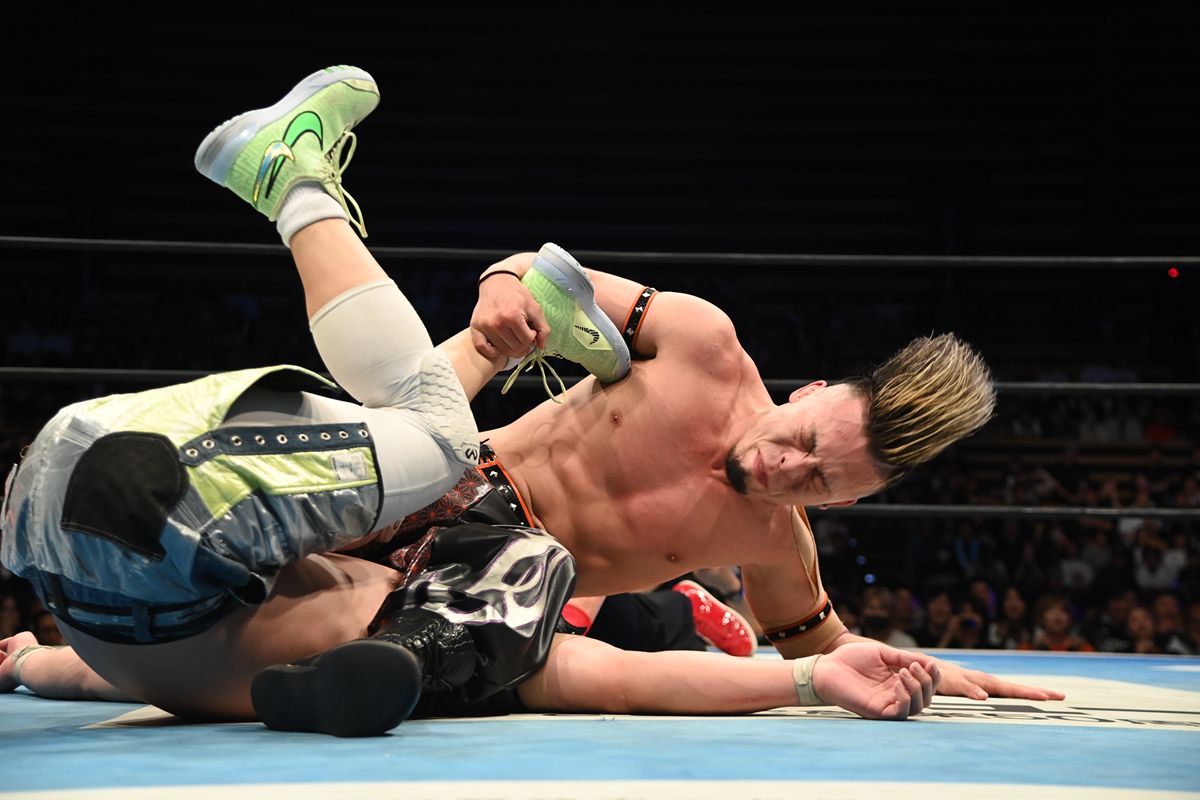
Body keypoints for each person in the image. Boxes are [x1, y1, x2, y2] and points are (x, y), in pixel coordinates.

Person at [0, 65, 944, 734]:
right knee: (446, 457)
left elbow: (820, 648)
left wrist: (933, 676)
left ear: (844, 503)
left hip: (486, 590)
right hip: (463, 488)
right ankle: (298, 184)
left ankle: (45, 659)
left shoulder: (776, 546)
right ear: (807, 391)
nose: (785, 467)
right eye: (803, 438)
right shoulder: (703, 344)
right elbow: (535, 269)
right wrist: (503, 289)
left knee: (260, 630)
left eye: (817, 482)